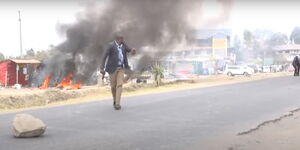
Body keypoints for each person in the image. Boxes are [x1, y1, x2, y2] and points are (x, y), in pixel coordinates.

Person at [100, 35, 136, 110]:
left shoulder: (123, 45)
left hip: (121, 68)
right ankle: (115, 99)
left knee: (119, 85)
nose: (123, 39)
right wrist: (102, 68)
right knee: (113, 86)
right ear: (117, 38)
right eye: (122, 38)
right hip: (112, 69)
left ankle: (117, 103)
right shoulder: (110, 46)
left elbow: (130, 50)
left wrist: (132, 51)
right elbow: (104, 57)